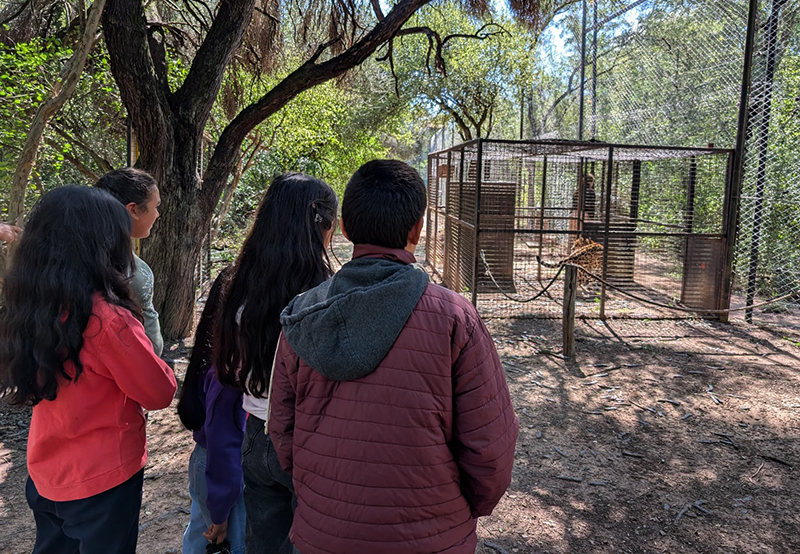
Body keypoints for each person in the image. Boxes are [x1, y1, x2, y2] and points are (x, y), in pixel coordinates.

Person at [268, 160, 519, 554]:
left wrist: (321, 496)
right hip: (432, 538)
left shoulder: (302, 314)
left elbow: (282, 430)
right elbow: (490, 447)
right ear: (417, 229)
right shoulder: (455, 318)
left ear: (345, 228)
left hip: (324, 535)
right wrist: (459, 511)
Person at [0, 185, 177, 554]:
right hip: (103, 480)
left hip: (46, 472)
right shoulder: (106, 319)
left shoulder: (28, 305)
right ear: (103, 243)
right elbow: (159, 392)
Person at [214, 173, 338, 554]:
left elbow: (236, 368)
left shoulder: (240, 284)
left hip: (255, 433)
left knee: (264, 543)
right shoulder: (325, 293)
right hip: (308, 437)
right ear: (323, 225)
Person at [178, 265, 247, 554]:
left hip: (205, 464)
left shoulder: (212, 358)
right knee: (228, 542)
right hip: (221, 474)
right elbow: (224, 446)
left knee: (199, 535)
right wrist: (220, 511)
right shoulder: (228, 376)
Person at [94, 168, 164, 355]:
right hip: (125, 365)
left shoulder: (114, 247)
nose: (157, 214)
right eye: (156, 206)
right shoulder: (104, 260)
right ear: (133, 209)